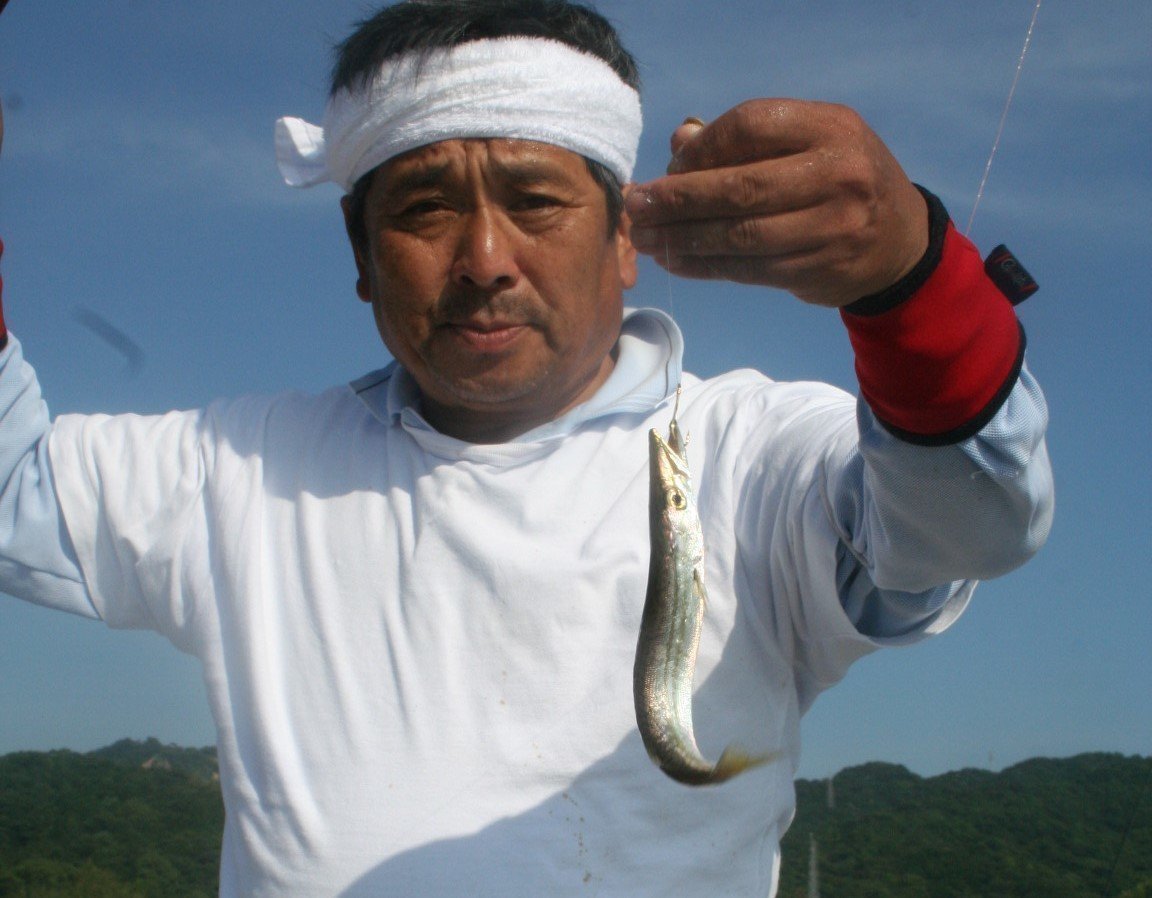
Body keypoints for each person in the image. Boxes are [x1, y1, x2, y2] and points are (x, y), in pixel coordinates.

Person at [0, 1, 1053, 895]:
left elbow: (969, 525)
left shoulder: (750, 447)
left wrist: (911, 285)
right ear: (361, 259)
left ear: (626, 237)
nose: (486, 260)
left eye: (536, 199)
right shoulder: (238, 468)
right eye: (423, 208)